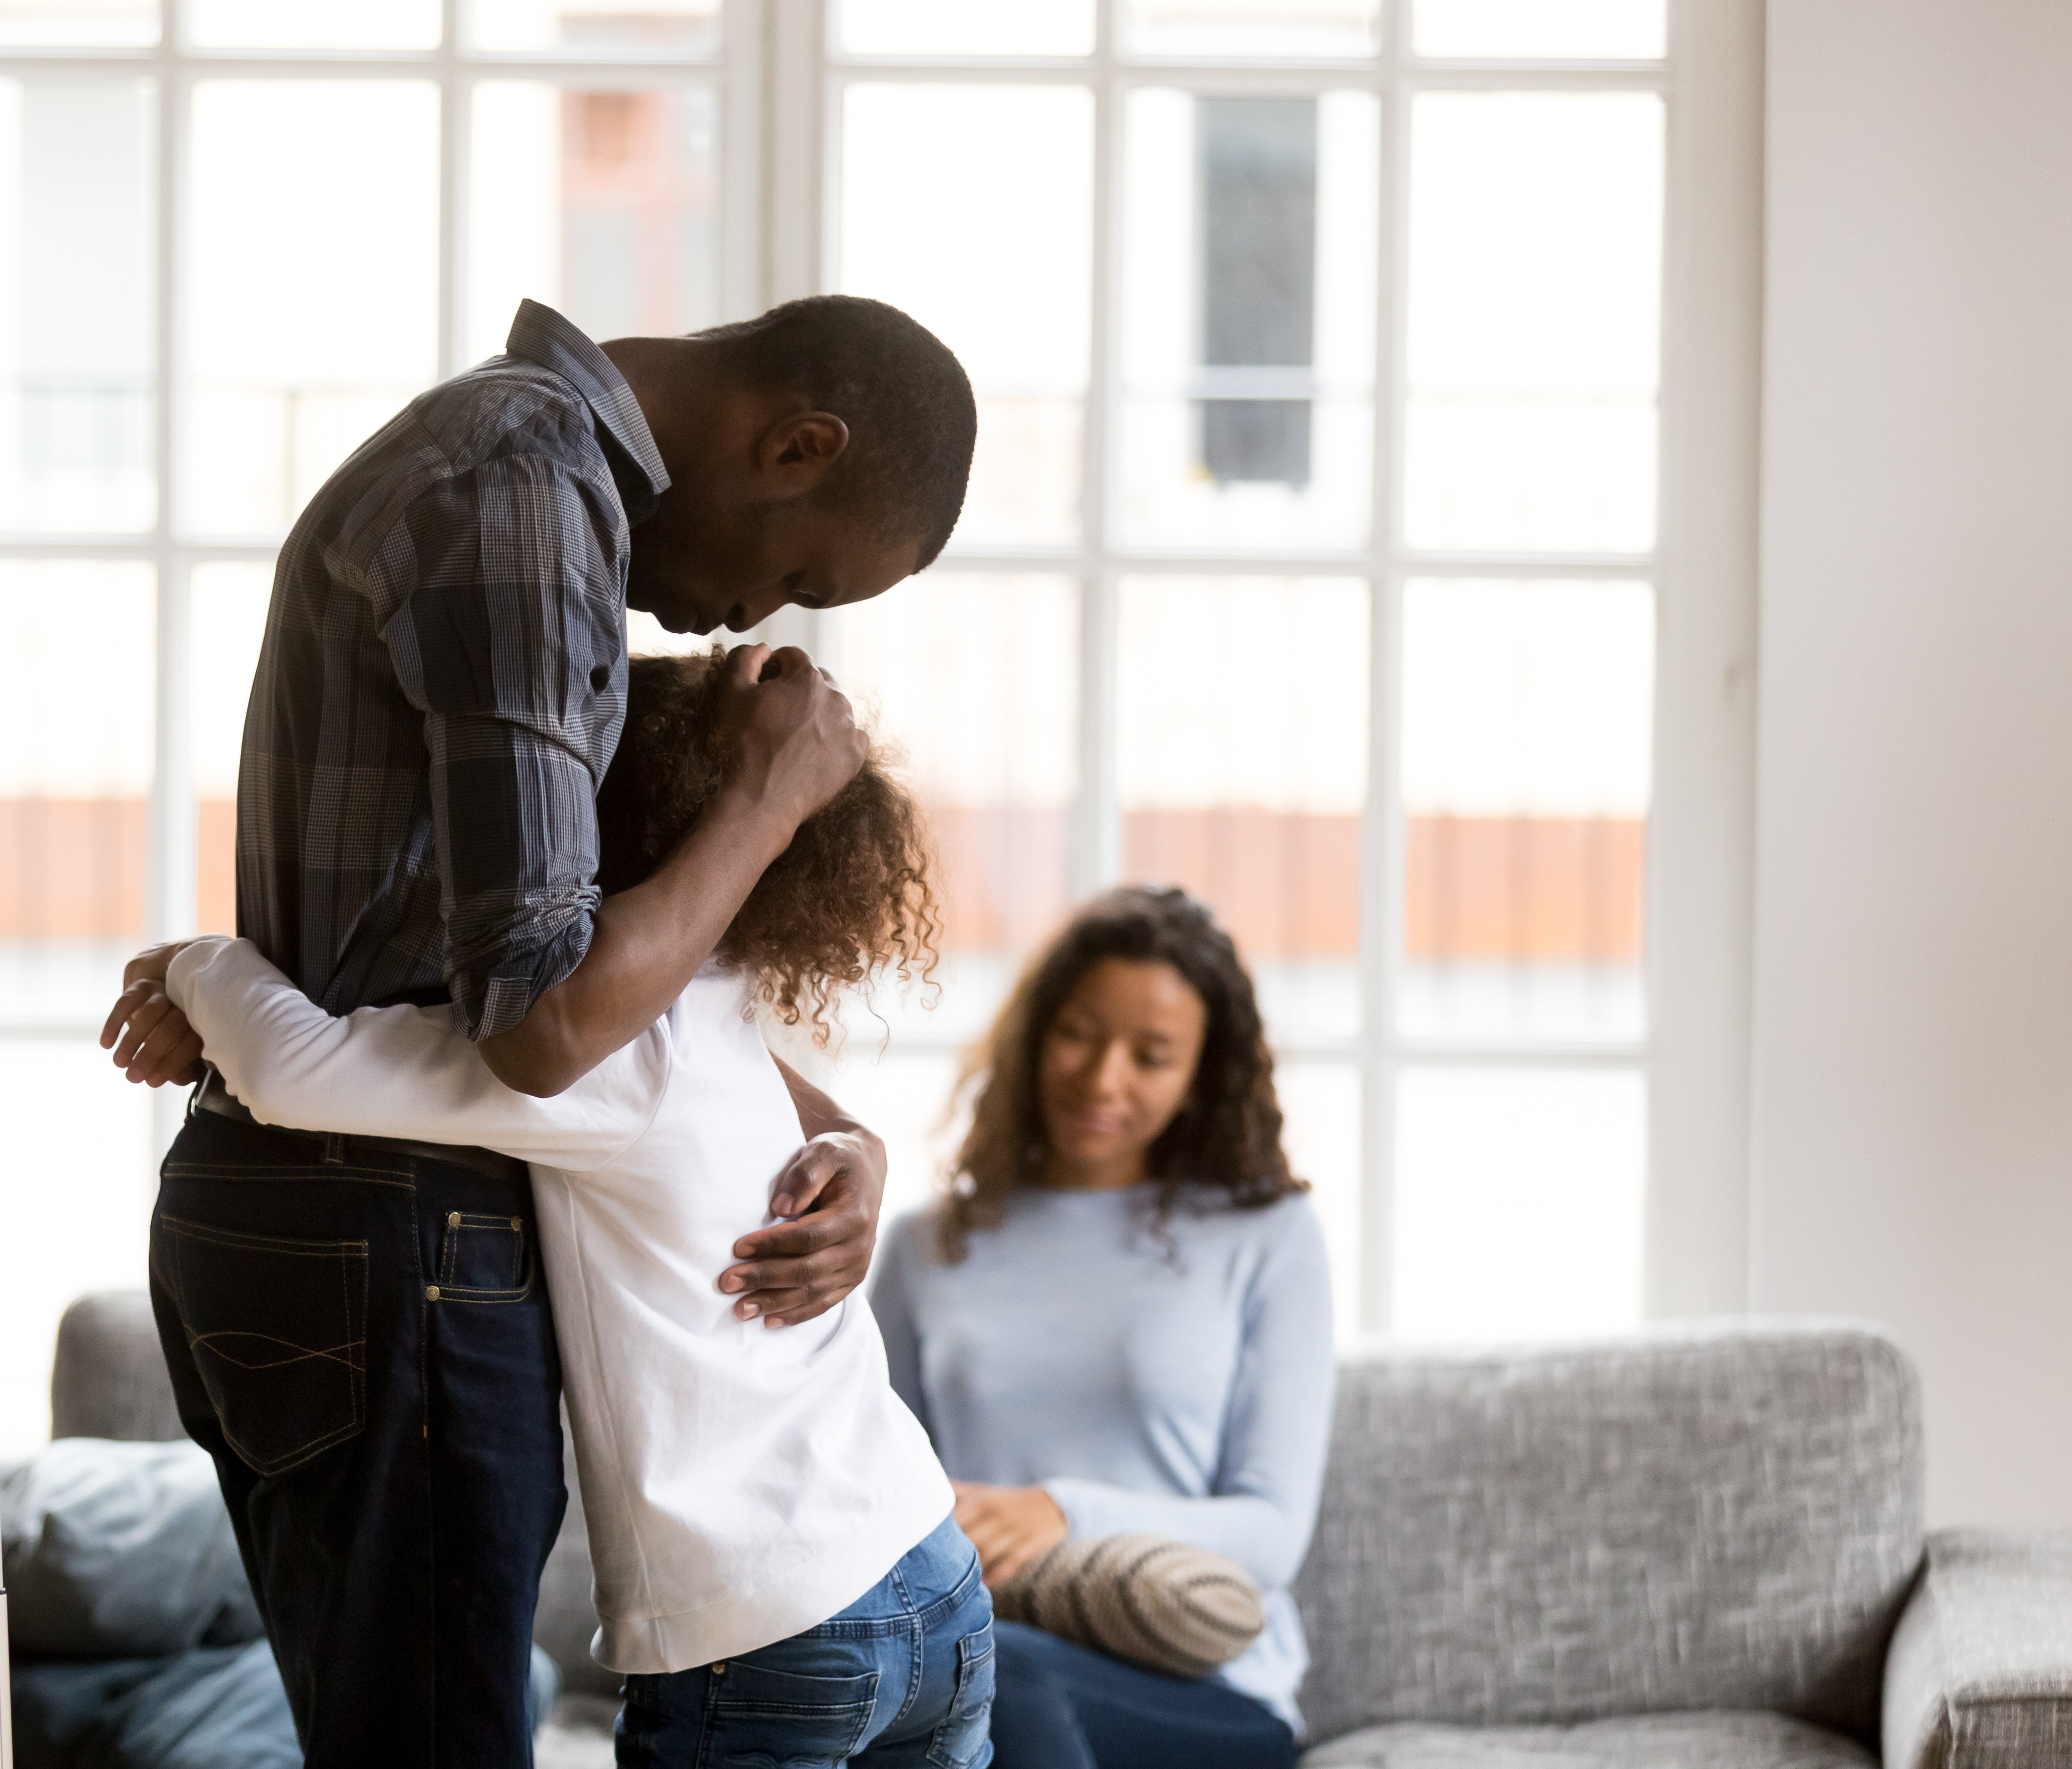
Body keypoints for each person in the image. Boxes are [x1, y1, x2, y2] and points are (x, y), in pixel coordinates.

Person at [100, 296, 977, 1767]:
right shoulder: (516, 491)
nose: (755, 618)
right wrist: (771, 802)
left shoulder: (528, 486)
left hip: (370, 1196)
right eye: (800, 569)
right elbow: (549, 1021)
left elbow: (657, 1040)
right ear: (794, 444)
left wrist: (848, 1132)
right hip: (379, 1218)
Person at [870, 888, 1335, 1769]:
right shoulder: (927, 1244)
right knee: (939, 1678)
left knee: (999, 1681)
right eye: (1079, 1035)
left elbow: (1273, 1532)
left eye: (1151, 1056)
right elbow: (872, 1486)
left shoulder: (1267, 1235)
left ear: (1201, 1079)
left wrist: (1061, 1511)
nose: (1101, 1078)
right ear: (1036, 1034)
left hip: (1206, 1690)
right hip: (983, 1644)